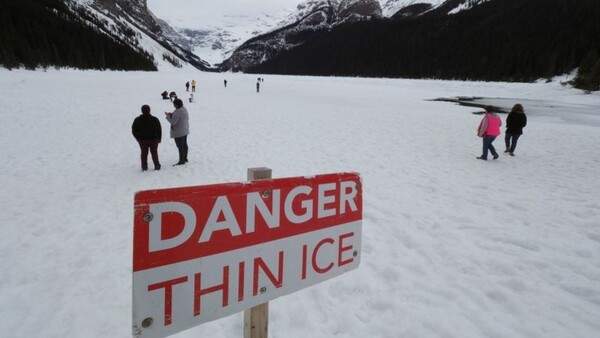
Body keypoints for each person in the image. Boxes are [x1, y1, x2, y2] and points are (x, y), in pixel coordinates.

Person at [132, 105, 162, 171]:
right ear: (149, 110)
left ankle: (144, 166)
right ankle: (157, 165)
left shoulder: (137, 120)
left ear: (142, 111)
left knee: (144, 153)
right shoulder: (155, 119)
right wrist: (159, 138)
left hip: (142, 140)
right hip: (154, 139)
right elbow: (159, 129)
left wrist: (137, 138)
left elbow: (134, 130)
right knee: (154, 152)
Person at [165, 98, 190, 166]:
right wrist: (172, 115)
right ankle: (185, 158)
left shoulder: (177, 112)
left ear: (176, 105)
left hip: (179, 132)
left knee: (180, 146)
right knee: (184, 145)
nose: (173, 105)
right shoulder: (184, 109)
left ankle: (181, 161)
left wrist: (168, 116)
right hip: (185, 130)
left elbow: (173, 122)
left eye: (174, 104)